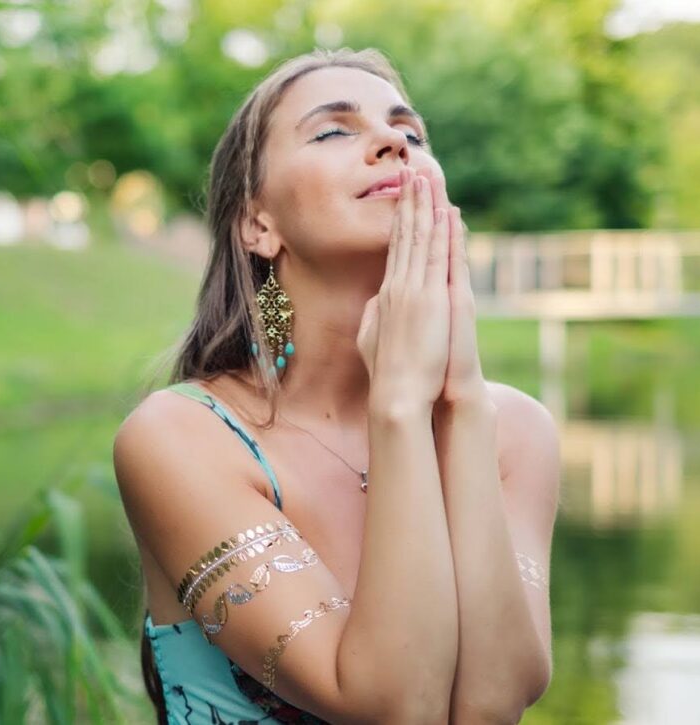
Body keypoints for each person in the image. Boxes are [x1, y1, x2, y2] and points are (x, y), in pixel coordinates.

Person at [112, 47, 559, 725]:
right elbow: (394, 705)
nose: (392, 142)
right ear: (257, 224)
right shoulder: (182, 437)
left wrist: (460, 399)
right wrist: (401, 404)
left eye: (411, 134)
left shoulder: (515, 431)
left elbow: (492, 705)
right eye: (332, 131)